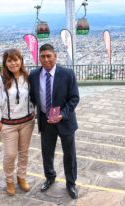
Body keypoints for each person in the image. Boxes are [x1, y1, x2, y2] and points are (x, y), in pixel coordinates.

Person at [29, 43, 80, 199]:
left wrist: (62, 114)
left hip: (64, 121)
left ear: (55, 56)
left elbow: (74, 98)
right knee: (47, 153)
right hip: (45, 120)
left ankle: (71, 183)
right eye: (43, 56)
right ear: (39, 58)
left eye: (49, 56)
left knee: (69, 154)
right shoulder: (33, 75)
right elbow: (32, 97)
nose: (46, 59)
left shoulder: (67, 74)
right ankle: (50, 177)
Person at [0, 48, 35, 196]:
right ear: (5, 63)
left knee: (23, 153)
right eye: (9, 60)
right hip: (8, 124)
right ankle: (9, 180)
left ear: (21, 60)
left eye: (16, 59)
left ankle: (21, 177)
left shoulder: (27, 76)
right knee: (10, 154)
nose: (13, 63)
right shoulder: (1, 79)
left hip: (27, 121)